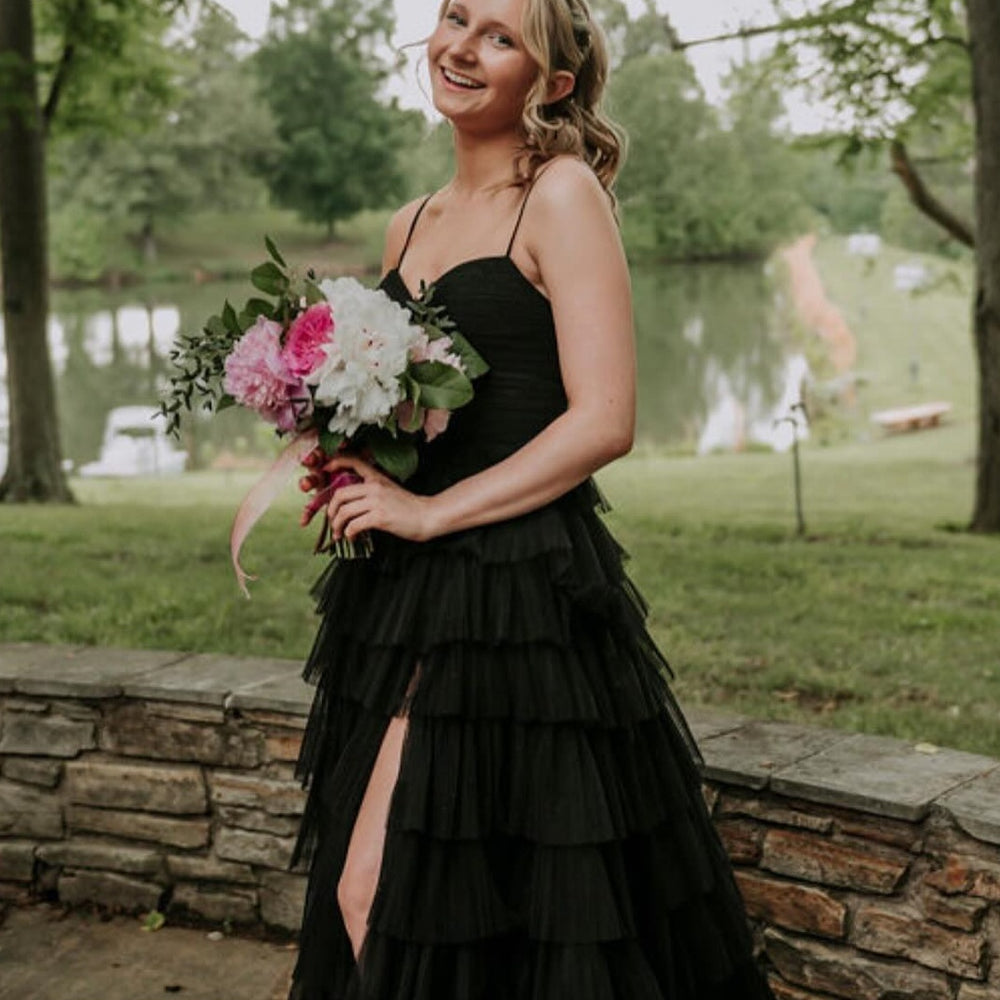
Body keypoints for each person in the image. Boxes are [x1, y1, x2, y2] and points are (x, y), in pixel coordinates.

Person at [286, 1, 776, 997]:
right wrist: (350, 452)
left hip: (518, 589)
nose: (461, 45)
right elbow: (424, 410)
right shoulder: (409, 221)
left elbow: (604, 418)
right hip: (402, 596)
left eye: (500, 36)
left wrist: (429, 511)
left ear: (551, 83)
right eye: (455, 16)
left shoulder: (558, 195)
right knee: (434, 900)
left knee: (386, 890)